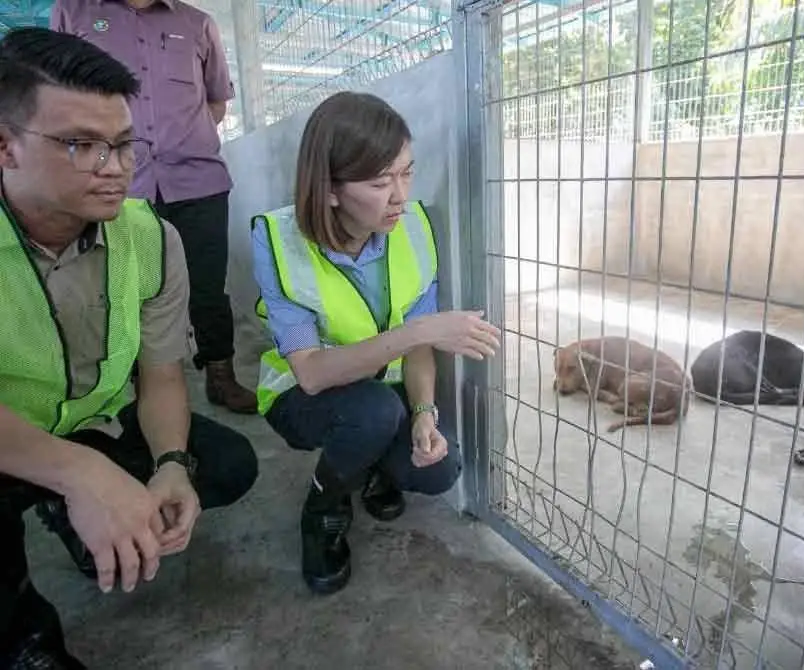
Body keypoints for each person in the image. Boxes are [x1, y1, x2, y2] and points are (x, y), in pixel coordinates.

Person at [0, 28, 258, 668]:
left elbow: (163, 372)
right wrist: (83, 474)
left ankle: (73, 508)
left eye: (121, 145)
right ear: (4, 148)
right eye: (80, 145)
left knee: (223, 465)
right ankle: (23, 640)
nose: (113, 168)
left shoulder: (149, 237)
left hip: (102, 418)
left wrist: (170, 461)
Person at [252, 91, 501, 595]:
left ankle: (369, 465)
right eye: (378, 181)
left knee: (440, 469)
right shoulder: (278, 240)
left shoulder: (414, 230)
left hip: (377, 393)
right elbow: (313, 372)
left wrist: (425, 414)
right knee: (373, 414)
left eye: (407, 172)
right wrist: (420, 331)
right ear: (329, 190)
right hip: (302, 397)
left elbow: (417, 351)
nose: (399, 196)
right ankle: (322, 511)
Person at [50, 0, 258, 414]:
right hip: (116, 184)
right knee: (115, 289)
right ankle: (121, 386)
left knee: (207, 287)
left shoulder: (198, 24)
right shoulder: (75, 13)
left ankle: (220, 373)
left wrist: (185, 137)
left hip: (198, 181)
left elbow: (216, 102)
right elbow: (56, 98)